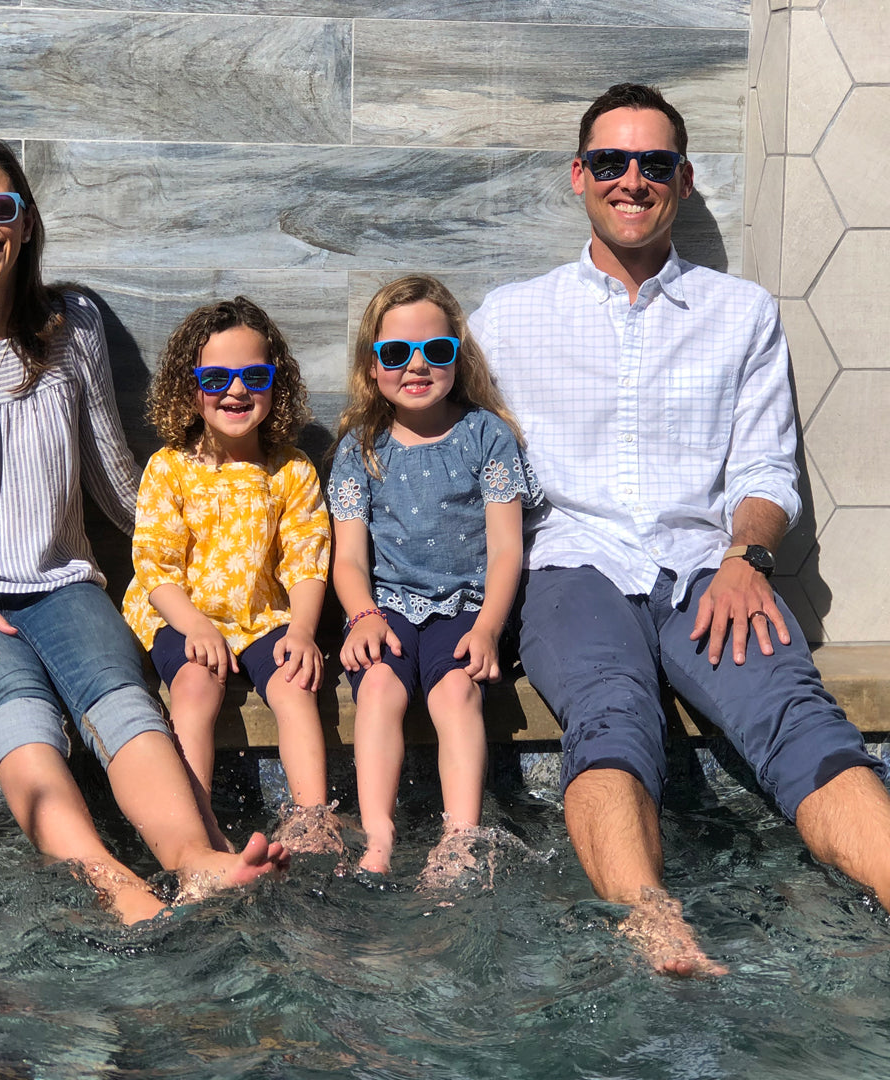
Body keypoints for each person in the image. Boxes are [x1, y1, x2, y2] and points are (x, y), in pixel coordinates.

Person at [469, 83, 890, 975]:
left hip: (708, 566)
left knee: (797, 714)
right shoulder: (506, 319)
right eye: (611, 161)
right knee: (608, 712)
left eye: (653, 163)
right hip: (572, 566)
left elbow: (766, 468)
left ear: (684, 180)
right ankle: (656, 929)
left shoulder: (742, 313)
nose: (632, 180)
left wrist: (747, 557)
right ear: (579, 175)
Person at [0, 136, 290, 926]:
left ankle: (196, 861)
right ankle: (116, 887)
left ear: (25, 222)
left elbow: (115, 478)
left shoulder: (70, 326)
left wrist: (212, 551)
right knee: (19, 703)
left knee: (121, 696)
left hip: (57, 583)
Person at [328, 275, 542, 878]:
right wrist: (363, 615)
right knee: (377, 688)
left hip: (467, 606)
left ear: (458, 355)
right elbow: (349, 559)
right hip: (387, 608)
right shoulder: (361, 448)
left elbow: (506, 549)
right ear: (373, 366)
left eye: (436, 350)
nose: (417, 365)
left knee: (456, 693)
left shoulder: (486, 437)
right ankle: (378, 833)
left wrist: (489, 628)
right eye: (397, 352)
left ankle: (459, 837)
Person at [121, 296, 340, 855]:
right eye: (216, 378)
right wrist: (194, 625)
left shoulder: (291, 469)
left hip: (262, 614)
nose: (236, 391)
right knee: (196, 686)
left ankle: (311, 820)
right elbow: (155, 564)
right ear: (189, 388)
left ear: (276, 384)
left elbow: (307, 559)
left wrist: (302, 631)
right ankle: (196, 827)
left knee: (296, 683)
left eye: (254, 377)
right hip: (183, 614)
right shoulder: (170, 468)